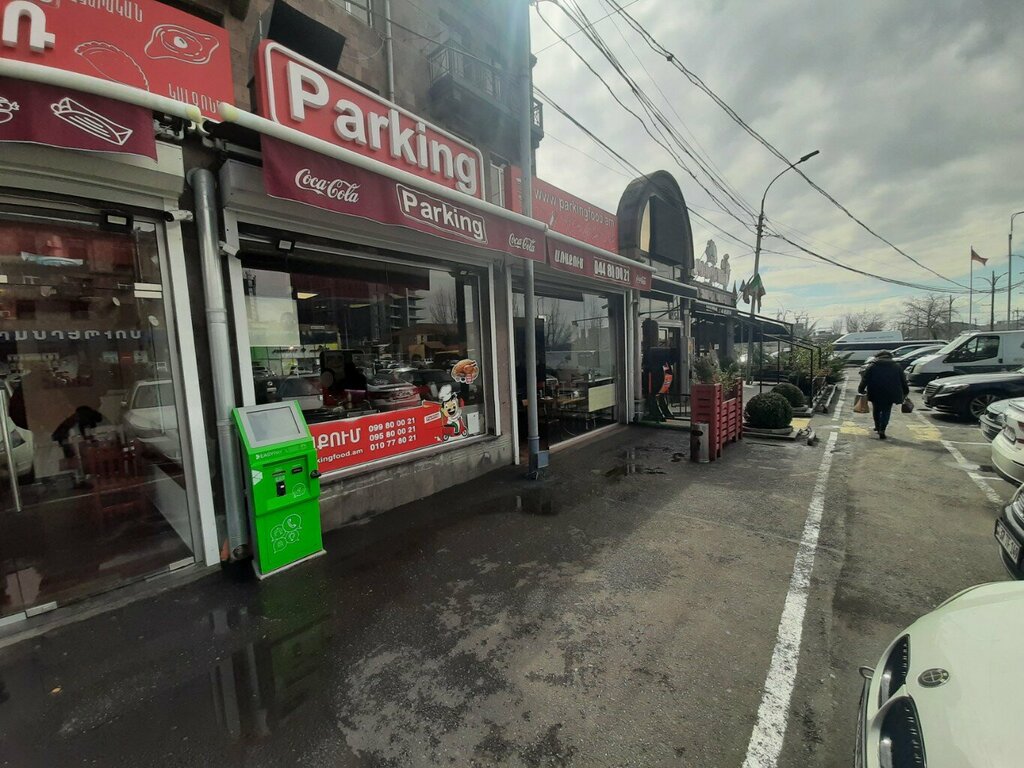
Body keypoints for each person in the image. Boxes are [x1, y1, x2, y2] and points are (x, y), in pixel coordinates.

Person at [858, 350, 909, 439]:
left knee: (876, 409)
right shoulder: (896, 366)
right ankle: (883, 429)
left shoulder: (872, 366)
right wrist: (906, 391)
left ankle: (877, 427)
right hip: (891, 392)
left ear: (878, 357)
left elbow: (865, 379)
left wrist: (861, 389)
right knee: (886, 410)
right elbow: (903, 381)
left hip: (875, 391)